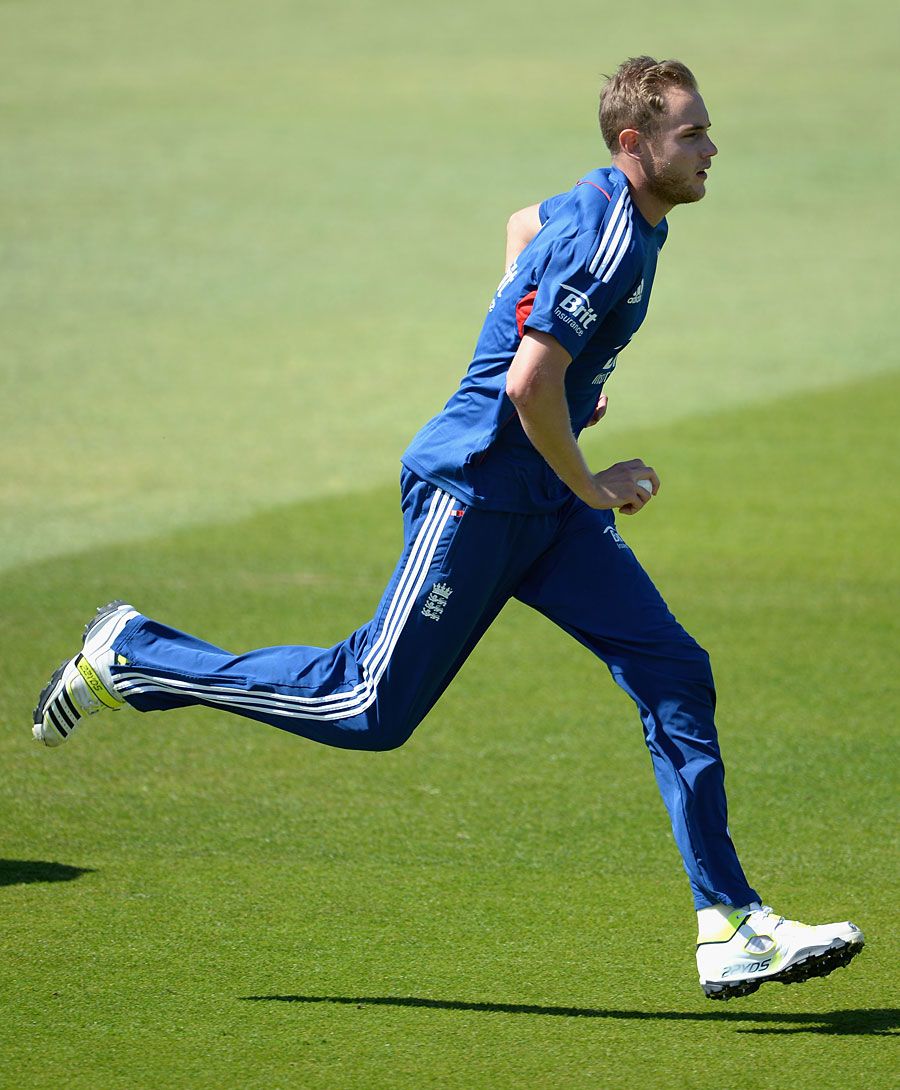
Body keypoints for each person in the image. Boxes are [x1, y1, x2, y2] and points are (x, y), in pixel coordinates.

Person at [33, 56, 863, 1000]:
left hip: (539, 501)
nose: (713, 148)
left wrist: (536, 354)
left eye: (708, 129)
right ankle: (135, 654)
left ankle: (728, 921)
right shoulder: (609, 241)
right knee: (365, 709)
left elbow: (523, 230)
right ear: (634, 146)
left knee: (674, 671)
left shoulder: (617, 209)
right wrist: (589, 477)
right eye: (692, 134)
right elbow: (528, 382)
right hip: (472, 492)